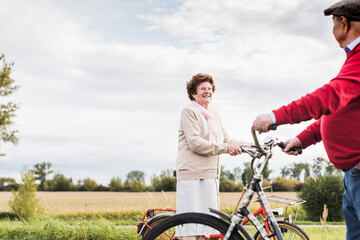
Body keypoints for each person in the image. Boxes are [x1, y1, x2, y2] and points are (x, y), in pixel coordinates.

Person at [252, 0, 360, 239]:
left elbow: (328, 98)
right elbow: (338, 112)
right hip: (352, 175)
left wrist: (274, 117)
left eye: (333, 23)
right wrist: (302, 139)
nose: (332, 30)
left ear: (343, 23)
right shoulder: (353, 59)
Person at [176, 73, 243, 240]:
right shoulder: (189, 112)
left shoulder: (214, 115)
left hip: (210, 175)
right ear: (193, 93)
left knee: (208, 229)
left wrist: (255, 146)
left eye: (210, 88)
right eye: (203, 88)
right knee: (191, 229)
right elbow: (195, 143)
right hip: (192, 175)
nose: (207, 91)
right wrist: (225, 148)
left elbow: (227, 139)